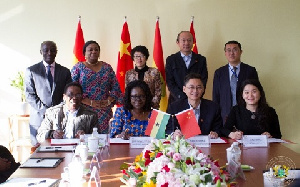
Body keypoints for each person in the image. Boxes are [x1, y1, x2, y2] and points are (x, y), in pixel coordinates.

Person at [25, 41, 72, 146]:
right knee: (38, 153)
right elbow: (30, 95)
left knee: (61, 151)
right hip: (38, 120)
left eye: (52, 50)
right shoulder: (31, 71)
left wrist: (57, 110)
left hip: (60, 119)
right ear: (41, 52)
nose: (49, 53)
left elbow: (68, 94)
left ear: (56, 52)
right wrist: (47, 111)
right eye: (46, 50)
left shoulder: (65, 72)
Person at [71, 40, 123, 134]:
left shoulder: (107, 67)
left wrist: (108, 101)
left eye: (96, 50)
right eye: (90, 50)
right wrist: (89, 102)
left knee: (103, 140)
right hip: (84, 109)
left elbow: (116, 87)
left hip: (104, 110)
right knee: (85, 138)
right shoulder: (78, 68)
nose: (93, 52)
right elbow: (72, 90)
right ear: (84, 53)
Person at [213, 40, 259, 124]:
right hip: (225, 115)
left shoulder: (250, 70)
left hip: (245, 114)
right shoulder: (219, 73)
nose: (231, 53)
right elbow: (216, 96)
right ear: (225, 53)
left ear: (241, 52)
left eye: (235, 50)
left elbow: (256, 94)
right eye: (228, 50)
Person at [166, 73, 222, 138]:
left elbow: (219, 129)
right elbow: (167, 129)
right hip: (183, 146)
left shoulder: (213, 107)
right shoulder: (174, 107)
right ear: (184, 89)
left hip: (206, 145)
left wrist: (215, 133)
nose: (195, 91)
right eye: (191, 87)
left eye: (199, 87)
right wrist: (174, 134)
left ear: (203, 89)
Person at [166, 31, 208, 108]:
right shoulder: (171, 60)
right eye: (183, 40)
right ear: (178, 42)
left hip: (196, 101)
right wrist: (182, 97)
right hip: (176, 101)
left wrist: (194, 96)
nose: (186, 43)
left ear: (193, 42)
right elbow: (170, 82)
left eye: (189, 40)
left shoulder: (201, 60)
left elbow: (203, 80)